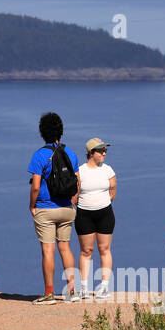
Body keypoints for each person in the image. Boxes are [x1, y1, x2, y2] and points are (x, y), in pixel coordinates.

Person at [28, 111, 81, 304]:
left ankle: (49, 294)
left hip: (46, 209)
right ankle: (72, 292)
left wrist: (32, 206)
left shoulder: (40, 155)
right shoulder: (71, 153)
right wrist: (73, 202)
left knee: (48, 250)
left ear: (42, 132)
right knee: (65, 248)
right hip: (67, 208)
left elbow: (35, 186)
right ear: (60, 131)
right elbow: (77, 181)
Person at [75, 138, 117, 301]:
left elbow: (113, 189)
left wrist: (104, 202)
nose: (104, 153)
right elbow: (75, 193)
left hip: (105, 213)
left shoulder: (108, 170)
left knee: (104, 249)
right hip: (84, 214)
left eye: (105, 150)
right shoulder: (80, 171)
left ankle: (104, 287)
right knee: (86, 251)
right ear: (91, 153)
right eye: (100, 151)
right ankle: (84, 287)